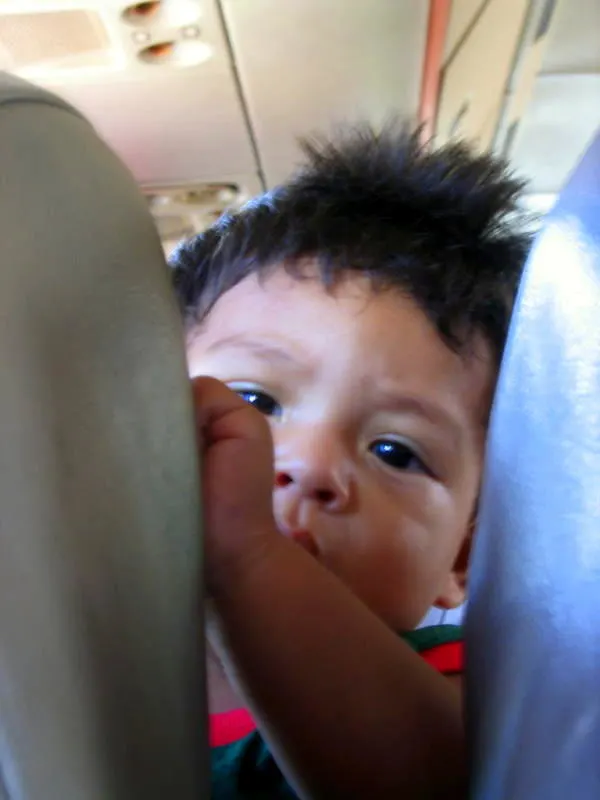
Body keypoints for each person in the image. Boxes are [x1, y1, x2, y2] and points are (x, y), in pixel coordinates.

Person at [170, 124, 531, 798]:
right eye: (254, 399)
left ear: (462, 559)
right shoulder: (66, 640)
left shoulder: (447, 685)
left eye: (396, 452)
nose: (307, 465)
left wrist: (249, 561)